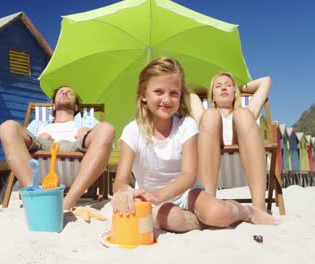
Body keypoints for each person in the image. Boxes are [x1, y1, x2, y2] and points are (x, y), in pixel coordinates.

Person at [112, 57, 278, 233]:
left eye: (174, 93)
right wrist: (123, 190)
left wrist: (158, 195)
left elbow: (189, 176)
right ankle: (202, 221)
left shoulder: (186, 126)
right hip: (152, 200)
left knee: (218, 212)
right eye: (159, 92)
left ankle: (248, 211)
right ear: (143, 95)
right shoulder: (132, 131)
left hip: (187, 193)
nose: (167, 99)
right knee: (172, 218)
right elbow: (121, 180)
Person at [0, 86, 115, 222]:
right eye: (61, 92)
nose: (64, 92)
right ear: (53, 105)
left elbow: (107, 145)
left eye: (69, 92)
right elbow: (20, 142)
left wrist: (89, 132)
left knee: (107, 129)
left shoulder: (87, 121)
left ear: (77, 107)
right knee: (7, 127)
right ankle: (38, 198)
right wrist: (38, 136)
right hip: (43, 146)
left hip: (75, 146)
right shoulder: (39, 123)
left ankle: (67, 203)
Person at [190, 73, 271, 211]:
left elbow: (266, 81)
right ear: (212, 96)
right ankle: (208, 206)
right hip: (211, 169)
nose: (224, 88)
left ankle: (259, 208)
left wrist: (236, 88)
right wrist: (209, 90)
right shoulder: (203, 115)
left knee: (243, 114)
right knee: (210, 115)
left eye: (228, 85)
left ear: (235, 93)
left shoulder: (248, 111)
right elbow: (189, 90)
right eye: (218, 86)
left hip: (248, 165)